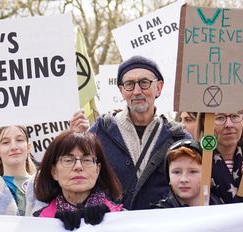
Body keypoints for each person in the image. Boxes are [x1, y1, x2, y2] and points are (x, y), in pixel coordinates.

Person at [70, 55, 189, 210]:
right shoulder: (101, 131)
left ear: (158, 87)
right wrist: (74, 140)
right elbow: (72, 173)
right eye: (129, 84)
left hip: (162, 228)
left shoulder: (178, 137)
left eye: (144, 83)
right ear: (121, 90)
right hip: (113, 229)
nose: (137, 91)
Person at [33, 130, 123, 230]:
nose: (78, 167)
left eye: (87, 160)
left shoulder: (122, 217)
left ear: (97, 169)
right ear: (54, 172)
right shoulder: (38, 224)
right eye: (68, 160)